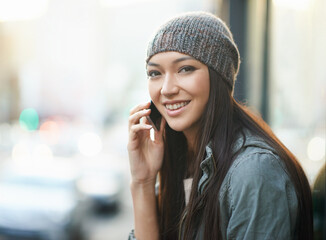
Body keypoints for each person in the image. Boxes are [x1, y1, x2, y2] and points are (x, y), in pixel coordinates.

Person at [127, 12, 313, 240]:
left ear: (218, 77)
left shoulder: (254, 171)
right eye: (155, 73)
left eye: (185, 69)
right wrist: (142, 181)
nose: (166, 89)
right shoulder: (181, 162)